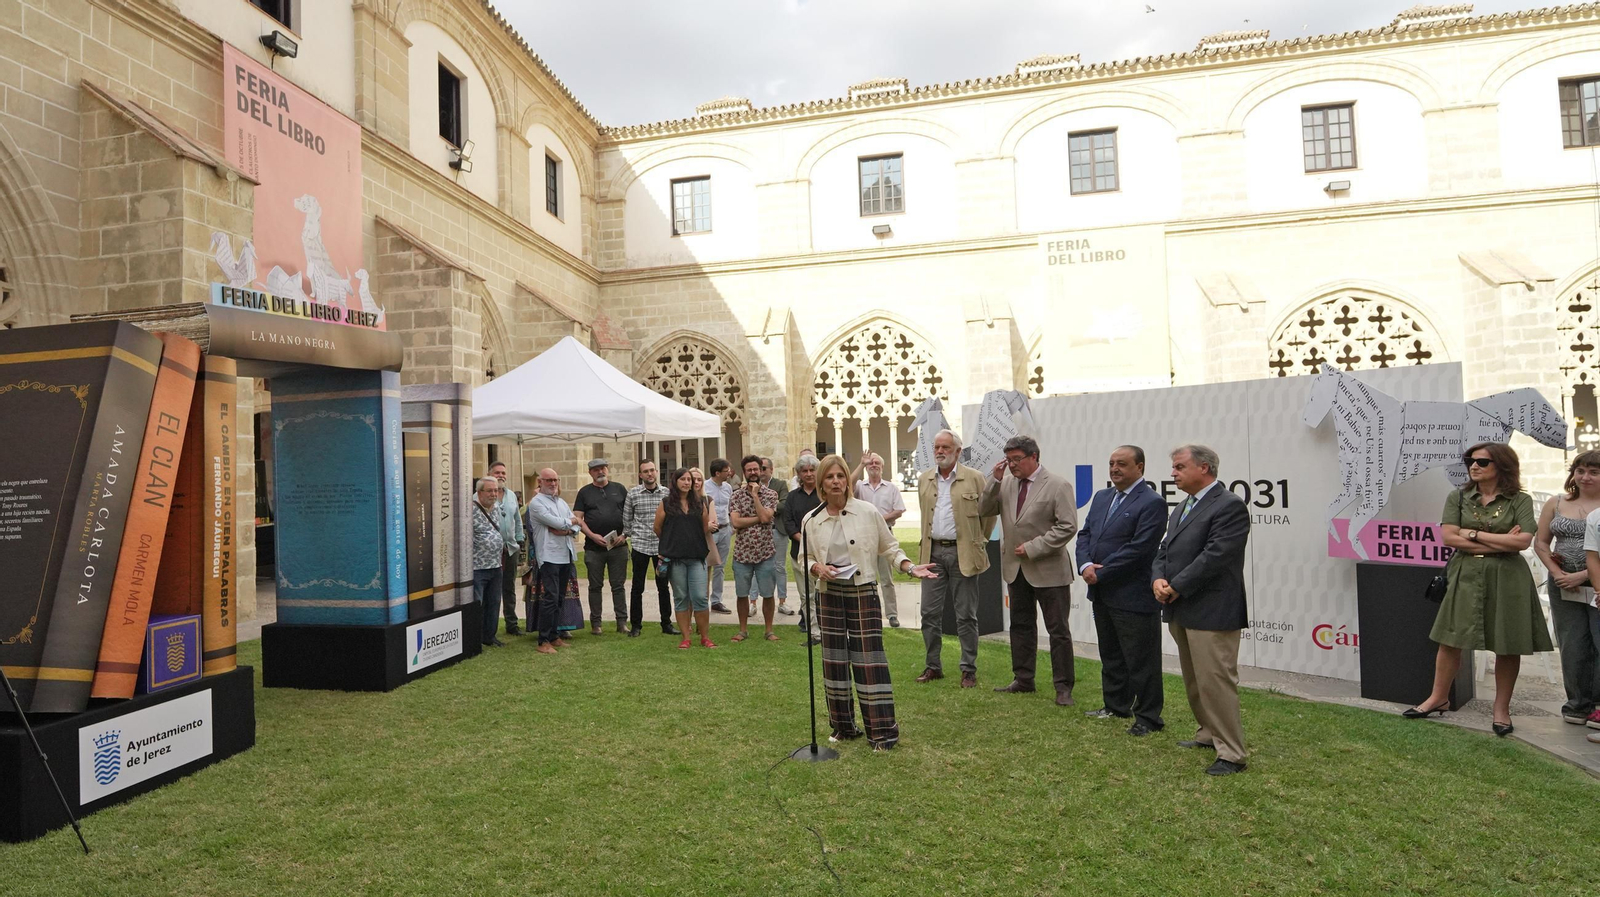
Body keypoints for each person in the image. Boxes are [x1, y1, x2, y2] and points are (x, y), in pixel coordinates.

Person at [1406, 442, 1552, 736]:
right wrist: (1499, 540)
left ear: (1502, 466)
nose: (1473, 466)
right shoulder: (1458, 497)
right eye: (1470, 461)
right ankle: (1438, 698)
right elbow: (1449, 538)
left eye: (1482, 462)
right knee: (1450, 638)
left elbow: (1522, 542)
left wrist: (1471, 533)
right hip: (1465, 573)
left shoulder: (1519, 500)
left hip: (1508, 577)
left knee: (1507, 644)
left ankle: (1501, 709)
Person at [803, 454, 938, 750]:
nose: (836, 481)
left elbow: (890, 548)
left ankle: (882, 732)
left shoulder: (867, 511)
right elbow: (805, 556)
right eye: (830, 477)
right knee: (834, 661)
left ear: (847, 481)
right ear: (821, 483)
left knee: (869, 660)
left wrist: (909, 567)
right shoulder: (811, 519)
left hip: (862, 591)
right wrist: (817, 568)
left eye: (841, 476)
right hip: (828, 593)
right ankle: (843, 726)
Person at [1152, 444, 1251, 776]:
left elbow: (1216, 556)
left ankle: (1232, 753)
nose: (1173, 473)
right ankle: (1208, 733)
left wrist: (1176, 585)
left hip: (1213, 610)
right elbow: (1164, 549)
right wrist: (1158, 579)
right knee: (1196, 680)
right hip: (1182, 607)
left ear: (1204, 468)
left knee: (1216, 681)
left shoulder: (1229, 505)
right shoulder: (1183, 506)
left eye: (1180, 467)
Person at [1077, 445, 1169, 735]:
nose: (1114, 469)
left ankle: (1148, 718)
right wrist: (1085, 565)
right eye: (1111, 463)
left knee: (1142, 660)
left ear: (1140, 467)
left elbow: (1140, 549)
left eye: (1122, 464)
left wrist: (1100, 573)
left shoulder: (1152, 502)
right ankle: (1115, 706)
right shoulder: (1102, 497)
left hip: (1133, 595)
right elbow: (1085, 534)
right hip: (1103, 593)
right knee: (1111, 654)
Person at [981, 436, 1079, 705]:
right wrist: (994, 481)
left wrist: (1034, 547)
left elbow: (1068, 526)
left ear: (1034, 456)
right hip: (1016, 569)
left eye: (1017, 459)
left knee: (1058, 630)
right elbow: (984, 509)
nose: (1012, 465)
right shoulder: (1006, 483)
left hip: (1049, 570)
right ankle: (1023, 679)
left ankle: (1063, 687)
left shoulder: (1058, 485)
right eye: (1008, 459)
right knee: (1020, 626)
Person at [915, 429, 996, 688]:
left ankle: (968, 669)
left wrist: (979, 541)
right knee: (929, 613)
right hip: (932, 554)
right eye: (936, 447)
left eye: (945, 447)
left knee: (966, 615)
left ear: (958, 451)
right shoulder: (924, 479)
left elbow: (988, 515)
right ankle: (933, 666)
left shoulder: (975, 478)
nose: (940, 451)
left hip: (964, 553)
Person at [1536, 451, 1600, 728]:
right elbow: (1541, 542)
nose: (1585, 477)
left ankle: (1598, 704)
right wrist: (1557, 573)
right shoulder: (1557, 502)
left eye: (1594, 472)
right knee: (1572, 644)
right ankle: (1577, 703)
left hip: (1596, 583)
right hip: (1563, 585)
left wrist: (1583, 575)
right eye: (1580, 470)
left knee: (1598, 642)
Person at [655, 467, 718, 649]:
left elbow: (704, 527)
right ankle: (686, 637)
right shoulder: (666, 503)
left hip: (696, 557)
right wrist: (672, 542)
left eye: (689, 479)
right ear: (675, 482)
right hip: (675, 560)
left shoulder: (699, 503)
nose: (687, 482)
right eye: (682, 479)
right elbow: (657, 528)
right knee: (681, 597)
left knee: (700, 597)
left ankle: (705, 637)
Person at [574, 458, 630, 635]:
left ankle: (622, 622)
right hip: (593, 548)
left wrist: (624, 535)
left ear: (607, 469)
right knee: (595, 586)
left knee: (618, 586)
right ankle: (596, 624)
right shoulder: (584, 492)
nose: (600, 472)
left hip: (618, 546)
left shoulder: (619, 489)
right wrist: (591, 535)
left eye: (603, 468)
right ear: (590, 472)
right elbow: (578, 518)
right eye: (596, 469)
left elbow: (630, 515)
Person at [527, 468, 580, 655]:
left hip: (565, 554)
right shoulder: (536, 503)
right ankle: (543, 641)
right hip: (549, 556)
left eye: (555, 480)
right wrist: (570, 522)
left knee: (559, 598)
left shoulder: (561, 502)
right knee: (550, 598)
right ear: (540, 482)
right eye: (548, 480)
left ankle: (554, 635)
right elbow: (558, 523)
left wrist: (568, 527)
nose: (553, 483)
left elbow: (576, 526)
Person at [624, 460, 678, 637]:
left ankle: (666, 623)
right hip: (640, 545)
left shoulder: (667, 493)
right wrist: (632, 534)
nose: (650, 474)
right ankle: (636, 626)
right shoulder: (633, 494)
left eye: (652, 470)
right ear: (640, 475)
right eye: (646, 471)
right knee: (637, 587)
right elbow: (627, 520)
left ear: (656, 472)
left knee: (663, 586)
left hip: (661, 546)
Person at [729, 455, 780, 642]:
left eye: (756, 469)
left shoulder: (771, 494)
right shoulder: (736, 496)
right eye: (749, 470)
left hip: (765, 553)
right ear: (744, 472)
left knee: (768, 593)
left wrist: (755, 496)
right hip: (742, 554)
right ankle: (743, 630)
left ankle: (769, 630)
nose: (753, 473)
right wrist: (761, 518)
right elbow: (736, 522)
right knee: (742, 594)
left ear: (761, 470)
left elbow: (767, 517)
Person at [854, 452, 907, 627]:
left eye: (877, 462)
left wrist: (878, 520)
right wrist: (861, 464)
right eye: (870, 463)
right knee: (864, 576)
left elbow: (898, 510)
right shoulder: (860, 487)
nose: (873, 465)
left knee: (886, 578)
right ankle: (867, 612)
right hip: (864, 536)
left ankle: (892, 614)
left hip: (884, 535)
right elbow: (848, 486)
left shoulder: (891, 488)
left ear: (882, 467)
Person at [783, 454, 824, 644]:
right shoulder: (792, 497)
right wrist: (804, 540)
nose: (808, 474)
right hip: (799, 553)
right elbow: (788, 523)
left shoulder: (825, 495)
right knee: (806, 596)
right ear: (798, 474)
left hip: (824, 553)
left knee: (824, 595)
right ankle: (814, 633)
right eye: (804, 471)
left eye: (812, 470)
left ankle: (830, 631)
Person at [488, 460, 526, 637]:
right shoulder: (482, 496)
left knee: (509, 588)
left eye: (503, 473)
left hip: (511, 548)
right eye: (497, 472)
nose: (501, 476)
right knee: (492, 590)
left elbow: (517, 519)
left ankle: (512, 624)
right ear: (489, 474)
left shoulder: (511, 495)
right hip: (491, 551)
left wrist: (519, 540)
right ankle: (490, 628)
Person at [471, 476, 507, 647]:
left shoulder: (496, 508)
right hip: (477, 566)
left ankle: (489, 636)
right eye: (489, 491)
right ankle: (474, 638)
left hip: (496, 565)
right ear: (479, 492)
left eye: (496, 490)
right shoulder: (470, 510)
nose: (493, 494)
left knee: (494, 603)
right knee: (478, 604)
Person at [761, 457, 794, 615]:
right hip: (760, 531)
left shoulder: (780, 484)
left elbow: (784, 504)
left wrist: (765, 510)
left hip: (778, 530)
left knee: (779, 566)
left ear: (771, 470)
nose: (761, 472)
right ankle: (753, 602)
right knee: (757, 566)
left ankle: (782, 601)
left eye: (764, 468)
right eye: (759, 469)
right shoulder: (753, 486)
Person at [705, 458, 737, 614]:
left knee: (720, 567)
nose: (729, 473)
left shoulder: (728, 488)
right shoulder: (705, 487)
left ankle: (716, 600)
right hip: (710, 532)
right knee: (705, 566)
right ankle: (702, 599)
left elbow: (729, 507)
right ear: (717, 473)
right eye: (726, 471)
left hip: (725, 530)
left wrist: (732, 527)